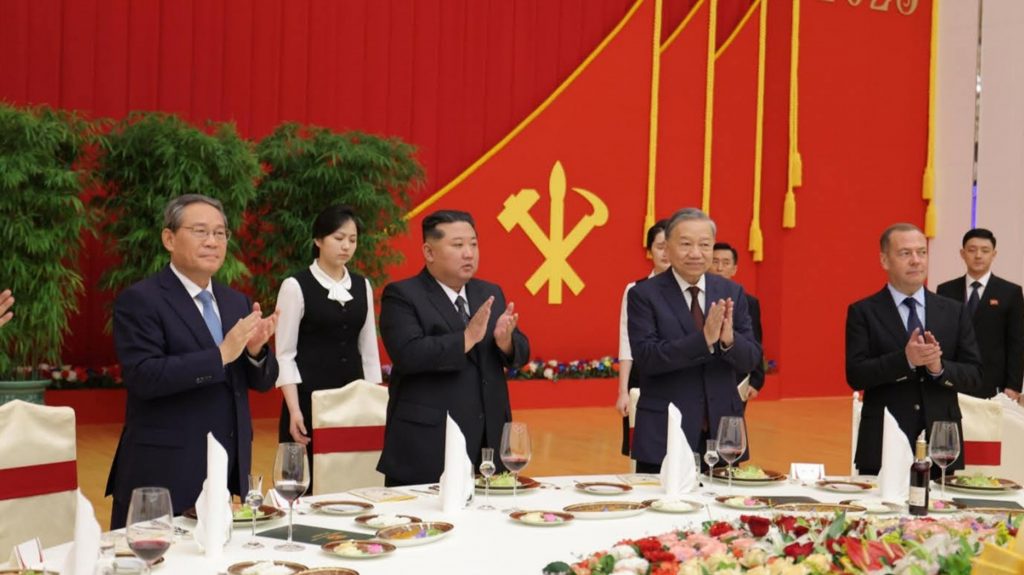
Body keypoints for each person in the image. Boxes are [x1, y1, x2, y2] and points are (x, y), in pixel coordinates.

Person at [106, 194, 279, 529]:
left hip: (224, 470)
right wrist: (221, 355)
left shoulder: (236, 301)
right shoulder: (141, 300)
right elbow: (144, 376)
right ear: (169, 238)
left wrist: (255, 352)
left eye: (220, 233)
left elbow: (260, 382)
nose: (212, 241)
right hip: (163, 471)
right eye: (200, 231)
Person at [377, 210, 530, 486]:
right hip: (428, 446)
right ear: (429, 252)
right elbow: (408, 354)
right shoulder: (402, 295)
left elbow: (520, 351)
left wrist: (505, 341)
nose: (469, 253)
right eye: (458, 245)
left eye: (473, 244)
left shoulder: (488, 292)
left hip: (489, 443)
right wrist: (466, 338)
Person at [627, 208, 761, 473]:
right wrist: (703, 340)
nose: (696, 253)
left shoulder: (731, 292)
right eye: (686, 244)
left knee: (722, 500)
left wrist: (729, 341)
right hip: (665, 433)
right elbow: (647, 358)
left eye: (704, 245)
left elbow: (751, 359)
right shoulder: (644, 294)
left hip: (722, 433)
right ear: (667, 247)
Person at [845, 223, 984, 477]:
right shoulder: (863, 312)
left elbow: (975, 375)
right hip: (883, 442)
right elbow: (856, 375)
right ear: (884, 260)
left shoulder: (954, 311)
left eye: (922, 252)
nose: (916, 260)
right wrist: (905, 360)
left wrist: (939, 368)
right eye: (905, 253)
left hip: (941, 446)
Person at [274, 205, 382, 487]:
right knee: (306, 483)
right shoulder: (295, 286)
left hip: (353, 402)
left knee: (354, 479)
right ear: (318, 240)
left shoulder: (362, 285)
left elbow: (369, 352)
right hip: (309, 401)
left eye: (353, 239)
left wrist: (373, 405)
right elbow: (284, 355)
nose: (346, 246)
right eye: (338, 238)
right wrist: (294, 409)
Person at [937, 228, 1023, 400]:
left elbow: (1017, 342)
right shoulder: (946, 290)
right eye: (972, 250)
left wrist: (1013, 385)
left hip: (994, 382)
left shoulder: (1010, 292)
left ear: (994, 254)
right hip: (953, 379)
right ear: (962, 254)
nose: (978, 256)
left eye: (985, 250)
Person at [616, 219, 670, 456]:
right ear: (649, 251)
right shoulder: (635, 290)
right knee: (642, 448)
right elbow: (626, 340)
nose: (665, 253)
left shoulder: (691, 289)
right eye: (660, 247)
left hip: (678, 376)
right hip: (643, 378)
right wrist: (623, 391)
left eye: (670, 247)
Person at [710, 242, 765, 400]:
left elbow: (755, 340)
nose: (719, 268)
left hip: (736, 378)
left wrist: (756, 381)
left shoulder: (748, 302)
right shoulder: (696, 296)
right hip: (703, 378)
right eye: (715, 261)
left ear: (734, 269)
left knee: (733, 417)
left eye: (726, 263)